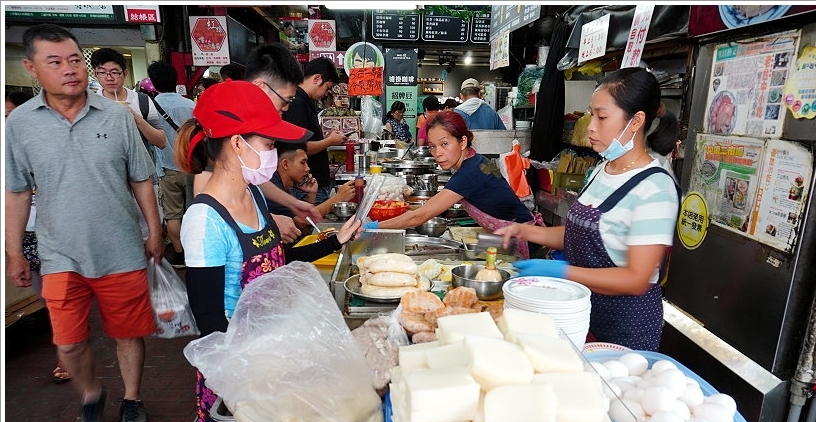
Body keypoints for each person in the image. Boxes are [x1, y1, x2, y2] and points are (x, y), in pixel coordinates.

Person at [174, 80, 363, 422]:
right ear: (238, 143)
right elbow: (209, 322)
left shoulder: (255, 195)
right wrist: (257, 374)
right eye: (269, 144)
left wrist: (334, 241)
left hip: (273, 355)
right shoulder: (205, 220)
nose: (274, 154)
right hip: (241, 374)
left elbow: (275, 263)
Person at [6, 24, 164, 422]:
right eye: (54, 62)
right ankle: (92, 395)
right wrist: (14, 252)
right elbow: (17, 190)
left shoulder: (116, 116)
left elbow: (142, 179)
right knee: (69, 343)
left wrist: (155, 230)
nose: (69, 70)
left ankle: (132, 400)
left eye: (75, 60)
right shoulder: (20, 124)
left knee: (128, 333)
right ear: (32, 68)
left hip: (120, 248)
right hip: (60, 253)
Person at [495, 67, 681, 352]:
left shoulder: (655, 188)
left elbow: (636, 279)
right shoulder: (600, 171)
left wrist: (563, 271)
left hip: (624, 329)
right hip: (580, 313)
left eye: (602, 117)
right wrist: (525, 232)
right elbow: (578, 235)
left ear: (636, 120)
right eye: (591, 114)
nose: (591, 126)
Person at [363, 110, 541, 258]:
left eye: (445, 144)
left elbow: (419, 217)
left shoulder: (470, 173)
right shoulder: (475, 160)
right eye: (432, 146)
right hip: (505, 237)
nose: (437, 153)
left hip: (524, 242)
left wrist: (373, 228)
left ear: (462, 141)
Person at [191, 44, 323, 243]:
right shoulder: (229, 119)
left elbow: (253, 181)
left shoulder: (251, 127)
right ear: (261, 87)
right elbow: (214, 210)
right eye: (285, 100)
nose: (286, 108)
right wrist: (267, 223)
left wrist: (292, 203)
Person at [5, 90, 71, 383]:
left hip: (55, 235)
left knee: (58, 300)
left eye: (9, 117)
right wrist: (14, 249)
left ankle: (66, 352)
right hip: (23, 236)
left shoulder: (46, 145)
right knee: (46, 299)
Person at [147, 60, 196, 269]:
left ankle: (180, 255)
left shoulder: (149, 107)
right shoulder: (191, 105)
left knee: (173, 214)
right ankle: (196, 252)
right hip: (192, 168)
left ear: (153, 83)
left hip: (166, 168)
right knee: (194, 212)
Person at [282, 57, 349, 206]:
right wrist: (329, 141)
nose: (326, 94)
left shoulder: (305, 101)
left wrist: (327, 138)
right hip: (305, 187)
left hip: (312, 185)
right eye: (327, 88)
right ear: (317, 78)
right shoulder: (297, 104)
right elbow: (299, 148)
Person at [90, 47, 167, 154]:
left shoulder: (142, 101)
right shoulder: (90, 105)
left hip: (140, 168)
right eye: (102, 73)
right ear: (95, 74)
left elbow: (161, 142)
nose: (109, 78)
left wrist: (136, 118)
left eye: (115, 72)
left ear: (125, 73)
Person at [269, 143, 356, 230]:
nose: (307, 168)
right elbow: (301, 221)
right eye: (302, 163)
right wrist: (338, 198)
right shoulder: (273, 185)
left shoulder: (286, 186)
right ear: (285, 164)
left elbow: (303, 222)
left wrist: (311, 194)